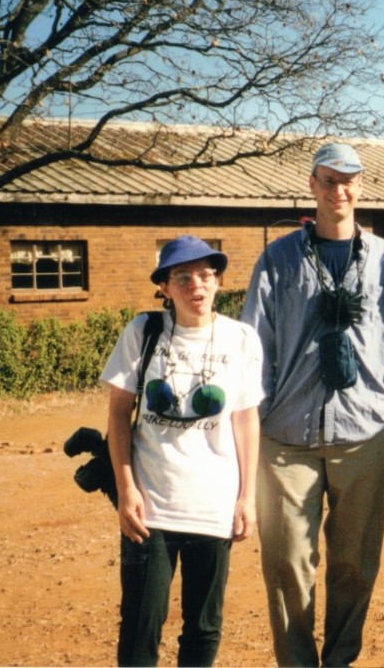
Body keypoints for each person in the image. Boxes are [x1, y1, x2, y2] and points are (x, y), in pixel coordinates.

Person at [241, 142, 384, 667]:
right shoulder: (278, 258)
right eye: (328, 181)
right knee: (287, 565)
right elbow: (254, 342)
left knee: (354, 563)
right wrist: (259, 415)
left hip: (364, 436)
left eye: (348, 181)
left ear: (361, 187)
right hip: (286, 438)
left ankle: (341, 659)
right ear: (312, 186)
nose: (338, 191)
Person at [102, 235, 264, 667]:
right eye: (184, 277)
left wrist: (247, 497)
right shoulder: (143, 332)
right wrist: (125, 489)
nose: (197, 285)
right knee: (140, 623)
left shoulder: (241, 339)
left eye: (207, 275)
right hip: (150, 505)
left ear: (218, 283)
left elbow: (245, 420)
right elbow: (118, 415)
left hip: (213, 504)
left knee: (204, 625)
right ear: (164, 287)